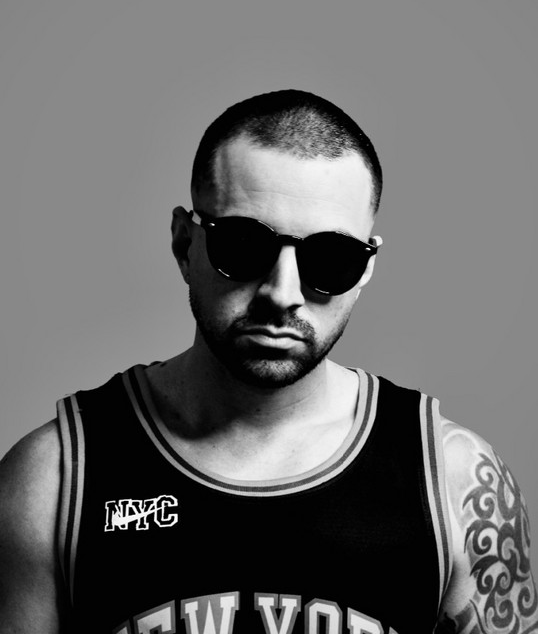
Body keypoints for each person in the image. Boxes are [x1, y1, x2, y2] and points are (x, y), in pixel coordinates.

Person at [0, 89, 536, 634]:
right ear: (185, 245)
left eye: (332, 259)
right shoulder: (52, 482)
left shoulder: (455, 484)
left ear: (367, 268)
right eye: (242, 245)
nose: (283, 294)